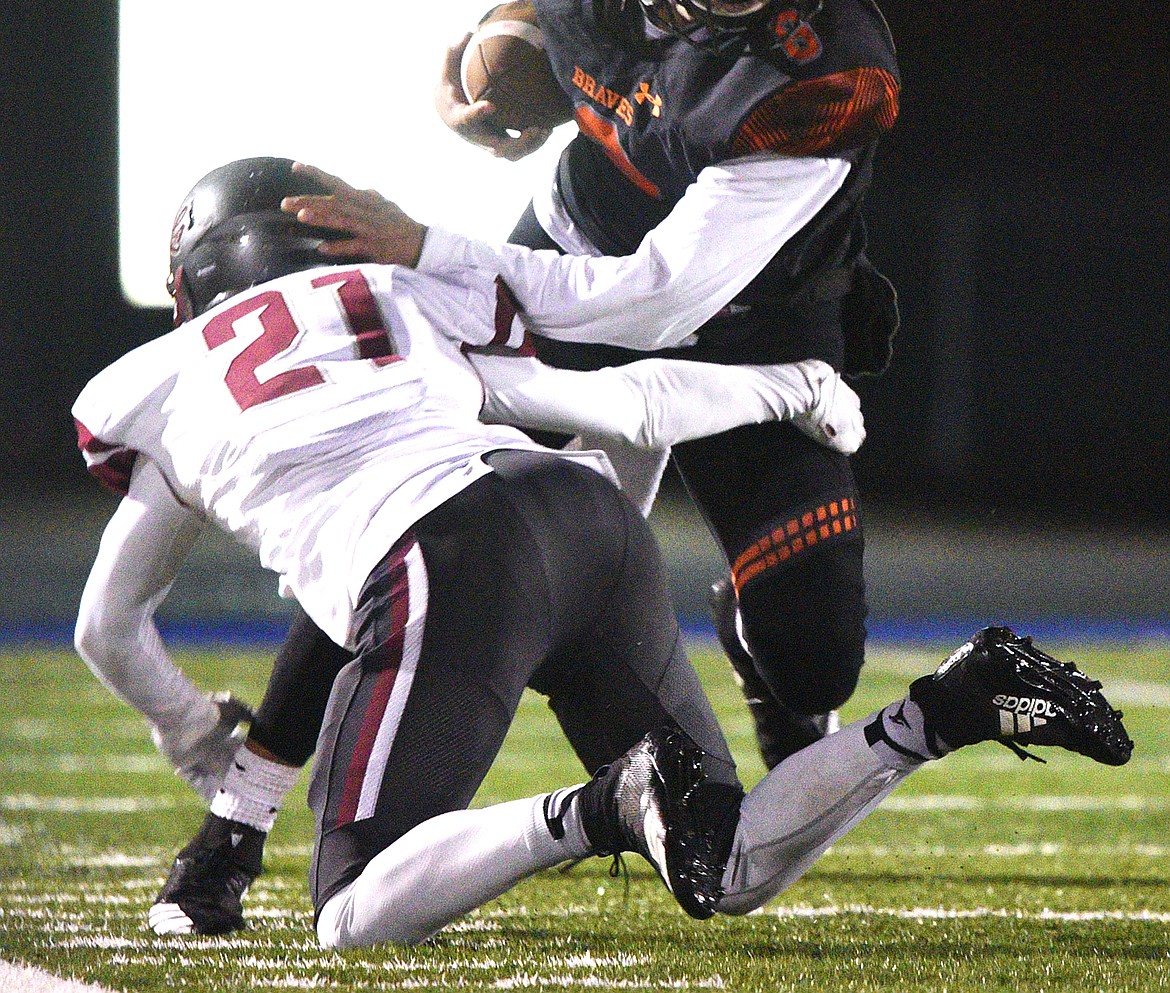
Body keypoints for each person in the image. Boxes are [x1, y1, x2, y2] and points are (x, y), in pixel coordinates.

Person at [73, 158, 1133, 951]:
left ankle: (602, 804)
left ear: (193, 283)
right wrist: (795, 384)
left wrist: (190, 725)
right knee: (721, 860)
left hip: (444, 555)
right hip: (581, 517)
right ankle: (948, 705)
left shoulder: (161, 381)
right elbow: (625, 405)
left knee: (353, 911)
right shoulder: (397, 300)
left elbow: (106, 625)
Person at [425, 0, 902, 769]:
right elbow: (556, 34)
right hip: (578, 240)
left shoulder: (824, 73)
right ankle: (241, 808)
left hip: (754, 322)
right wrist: (487, 69)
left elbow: (658, 302)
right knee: (418, 521)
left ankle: (756, 639)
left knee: (815, 657)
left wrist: (419, 251)